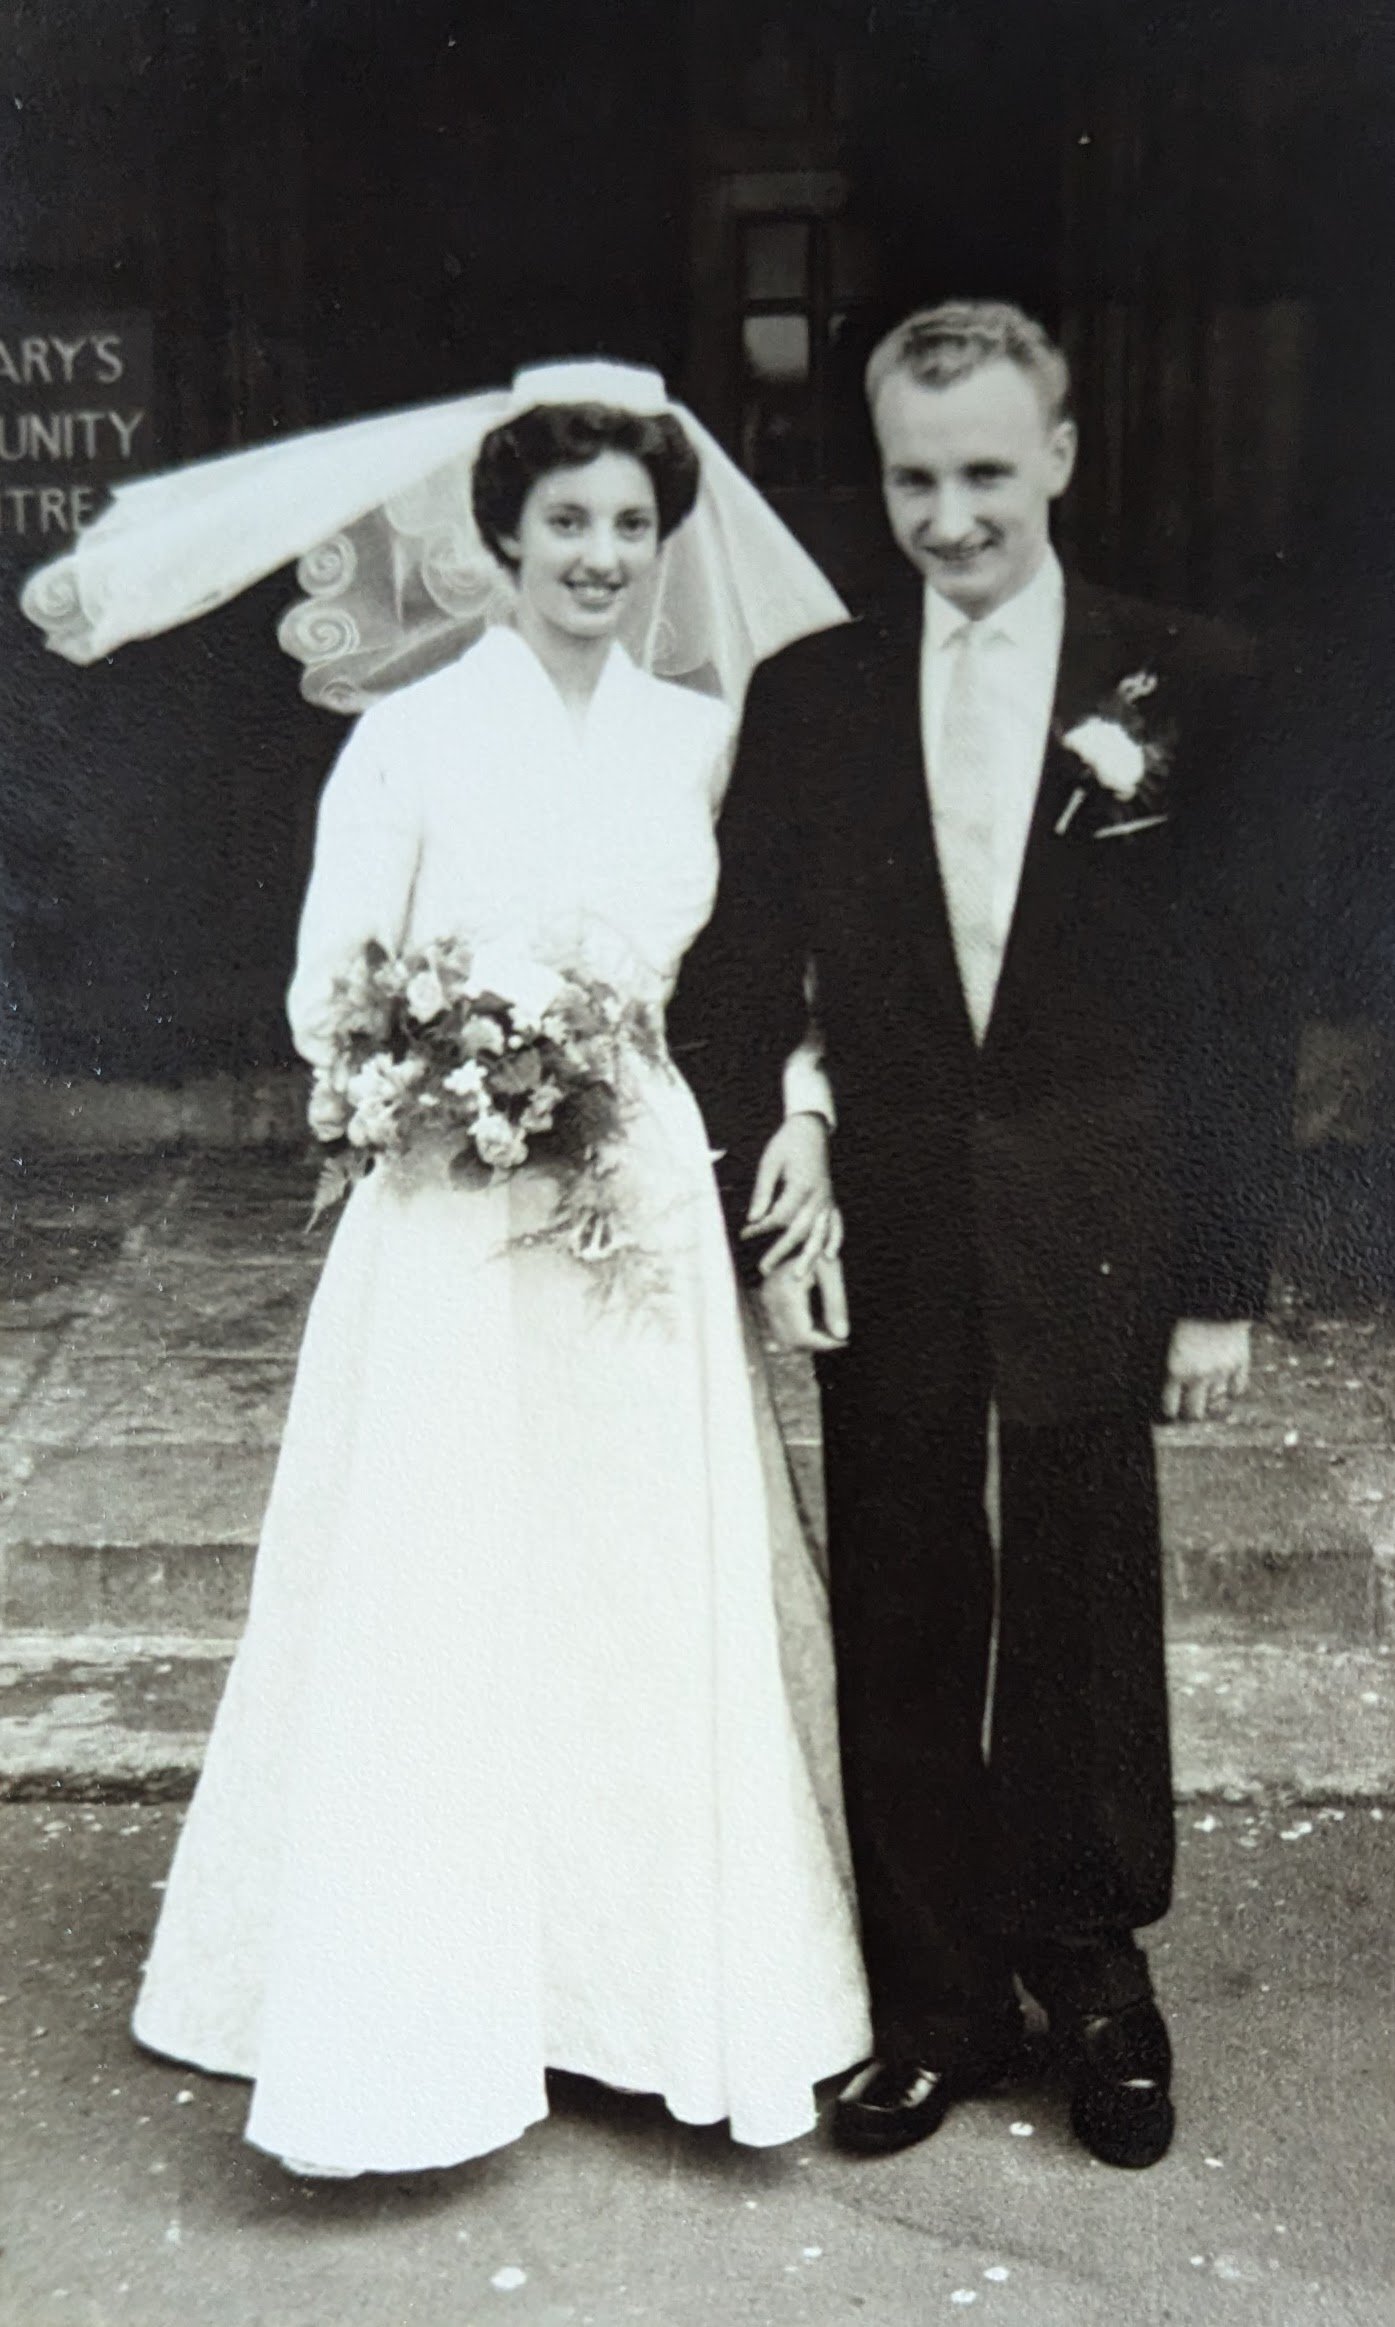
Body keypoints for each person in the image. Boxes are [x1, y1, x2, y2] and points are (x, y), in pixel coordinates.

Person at [21, 359, 871, 2176]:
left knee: (631, 1563)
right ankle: (430, 1994)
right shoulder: (406, 734)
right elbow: (331, 989)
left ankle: (639, 1990)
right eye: (566, 521)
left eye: (631, 527)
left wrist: (778, 1093)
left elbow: (743, 978)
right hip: (451, 1196)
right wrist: (449, 1070)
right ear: (498, 537)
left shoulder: (690, 731)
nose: (599, 554)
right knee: (451, 1564)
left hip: (635, 1190)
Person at [674, 302, 1297, 2171]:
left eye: (985, 475)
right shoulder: (817, 692)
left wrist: (1215, 1285)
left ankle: (1093, 1971)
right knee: (907, 1578)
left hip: (1102, 1198)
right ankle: (932, 1992)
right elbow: (739, 969)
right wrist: (778, 1159)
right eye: (913, 479)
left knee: (1089, 1585)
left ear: (1062, 457)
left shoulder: (1189, 680)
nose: (949, 517)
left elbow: (1241, 1005)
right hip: (901, 1200)